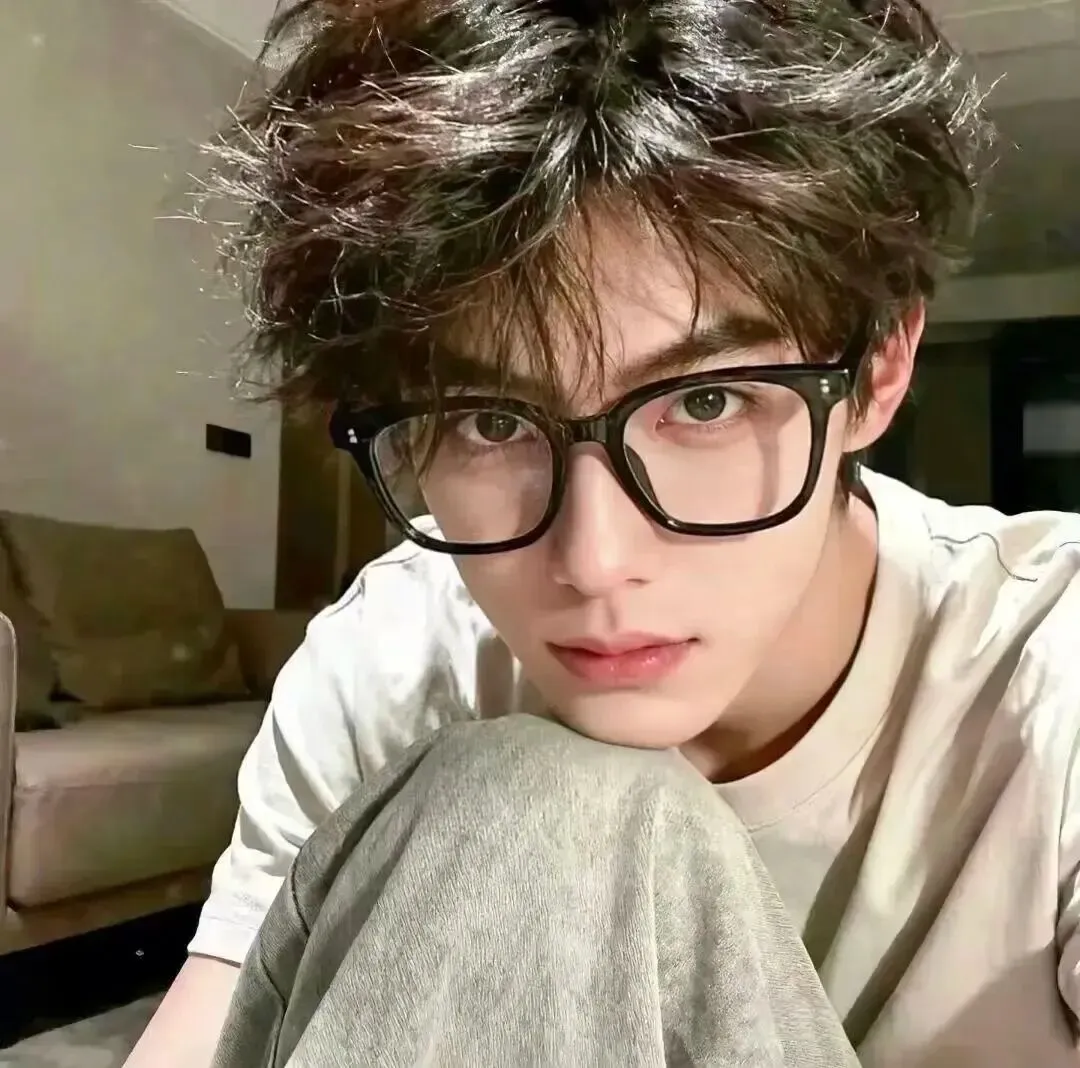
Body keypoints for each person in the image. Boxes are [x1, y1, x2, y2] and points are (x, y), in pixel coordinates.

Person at [122, 0, 1080, 1064]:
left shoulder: (1053, 670)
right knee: (538, 793)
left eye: (706, 403)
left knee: (552, 803)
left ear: (879, 370)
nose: (594, 561)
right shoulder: (391, 656)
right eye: (490, 423)